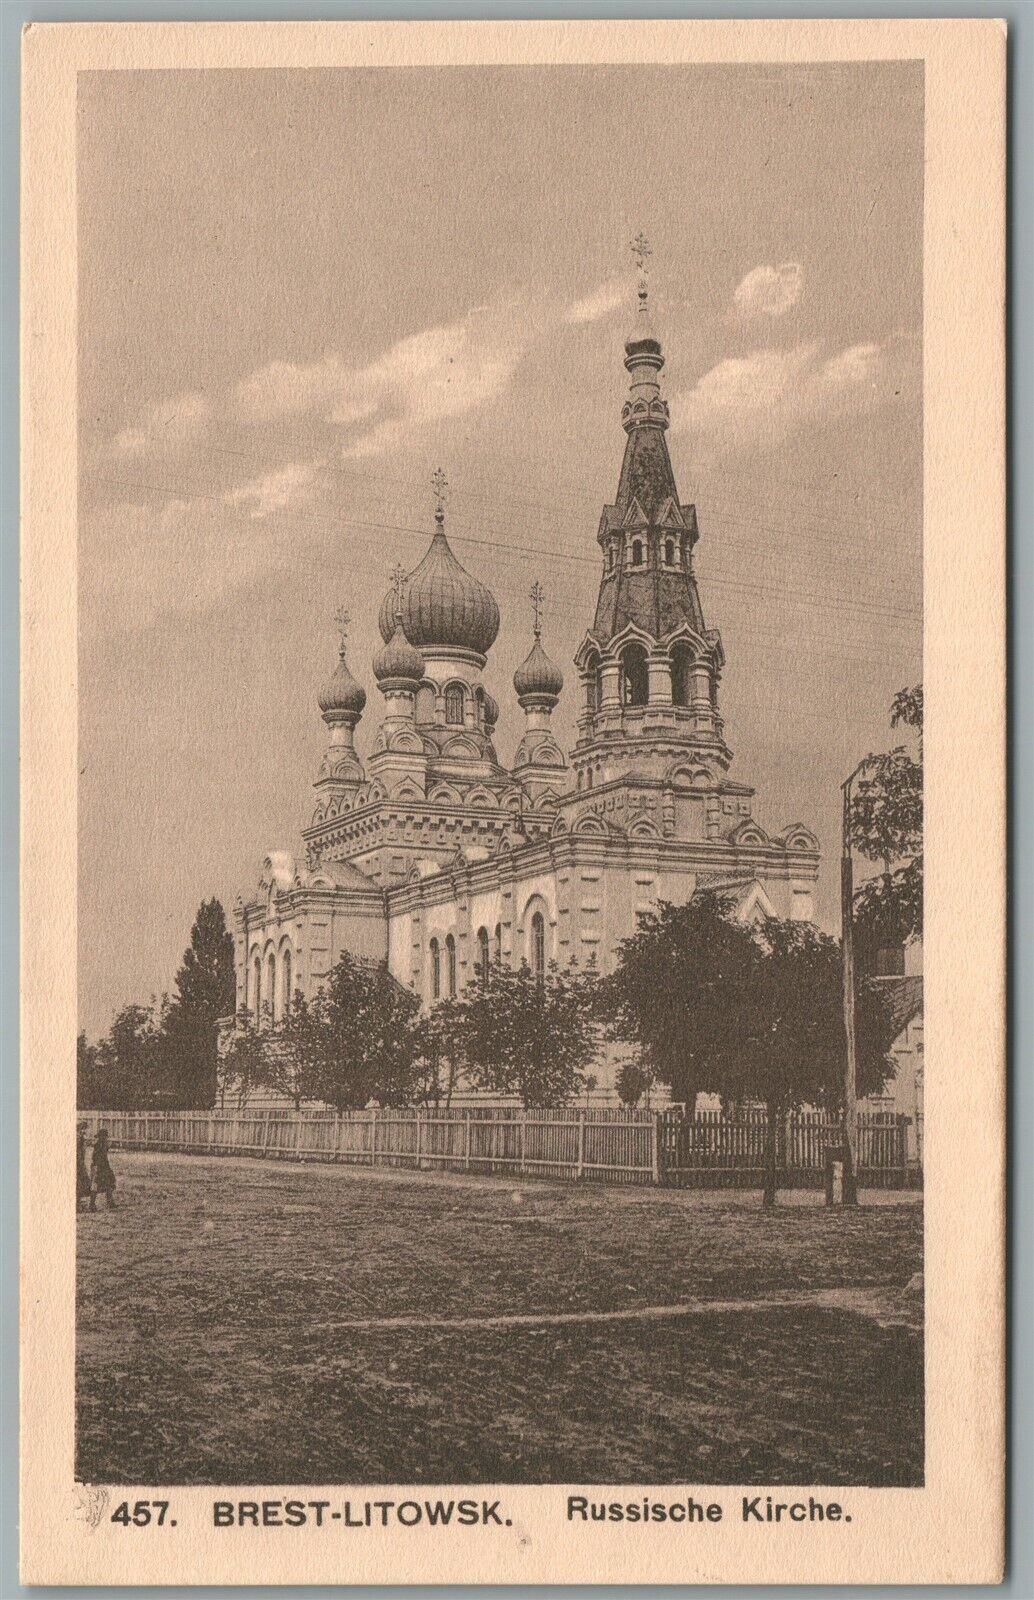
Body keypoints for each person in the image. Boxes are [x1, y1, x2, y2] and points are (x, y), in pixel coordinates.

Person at [89, 1128, 117, 1211]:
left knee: (108, 1183)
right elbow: (96, 1158)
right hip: (98, 1167)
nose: (106, 1138)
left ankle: (110, 1202)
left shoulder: (101, 1144)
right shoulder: (100, 1145)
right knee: (96, 1185)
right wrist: (99, 1167)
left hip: (102, 1166)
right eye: (105, 1137)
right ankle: (92, 1204)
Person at [76, 1122, 92, 1210]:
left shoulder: (80, 1137)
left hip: (80, 1161)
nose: (86, 1131)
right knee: (79, 1181)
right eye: (85, 1129)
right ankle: (77, 1202)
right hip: (78, 1162)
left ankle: (78, 1201)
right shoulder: (78, 1138)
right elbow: (79, 1152)